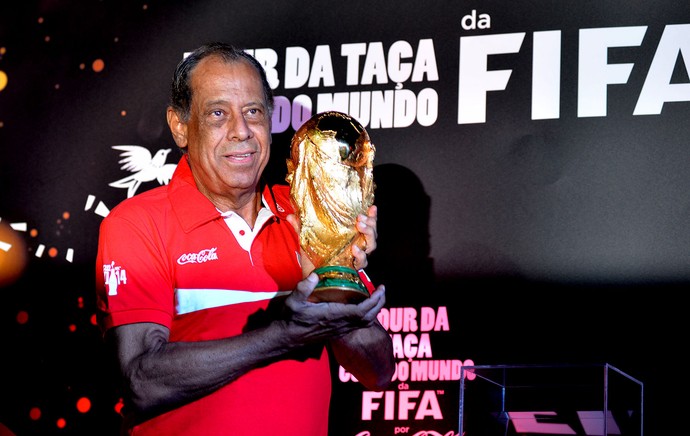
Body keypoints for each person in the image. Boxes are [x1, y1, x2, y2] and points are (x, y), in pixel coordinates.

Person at [95, 42, 395, 436]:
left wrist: (336, 283)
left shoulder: (307, 214)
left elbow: (380, 372)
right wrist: (282, 335)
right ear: (180, 126)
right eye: (218, 114)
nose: (241, 131)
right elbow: (141, 380)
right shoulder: (137, 224)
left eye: (253, 112)